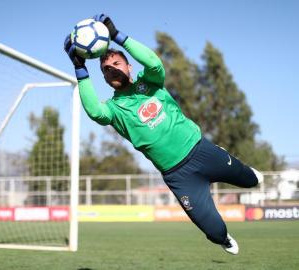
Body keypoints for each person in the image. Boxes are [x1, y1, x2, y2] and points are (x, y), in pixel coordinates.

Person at [64, 14, 263, 255]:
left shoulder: (151, 81)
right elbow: (95, 112)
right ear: (104, 79)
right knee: (214, 231)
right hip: (178, 175)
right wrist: (79, 68)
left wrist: (117, 36)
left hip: (202, 150)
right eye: (106, 70)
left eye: (116, 64)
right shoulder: (114, 109)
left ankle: (241, 169)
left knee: (251, 180)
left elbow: (155, 63)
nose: (111, 70)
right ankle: (222, 237)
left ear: (129, 66)